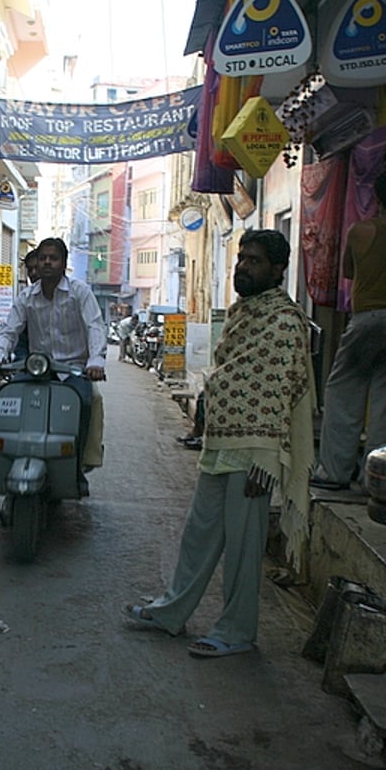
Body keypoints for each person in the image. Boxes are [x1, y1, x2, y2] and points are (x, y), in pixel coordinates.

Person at [123, 229, 314, 657]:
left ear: (278, 270)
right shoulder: (244, 311)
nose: (243, 266)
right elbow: (230, 371)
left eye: (255, 260)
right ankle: (172, 611)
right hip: (221, 441)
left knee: (245, 547)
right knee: (199, 532)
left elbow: (281, 389)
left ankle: (237, 632)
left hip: (257, 451)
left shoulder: (285, 320)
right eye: (241, 258)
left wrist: (267, 460)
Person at [310, 171, 386, 491]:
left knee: (344, 391)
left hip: (368, 318)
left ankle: (334, 471)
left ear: (376, 198)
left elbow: (347, 271)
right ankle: (373, 476)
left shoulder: (361, 231)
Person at [0, 237, 107, 494]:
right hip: (36, 370)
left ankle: (77, 467)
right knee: (9, 403)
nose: (47, 262)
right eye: (43, 258)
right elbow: (10, 330)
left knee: (86, 403)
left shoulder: (79, 292)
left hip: (74, 371)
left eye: (53, 258)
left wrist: (95, 361)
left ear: (63, 263)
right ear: (37, 263)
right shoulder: (26, 297)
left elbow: (95, 326)